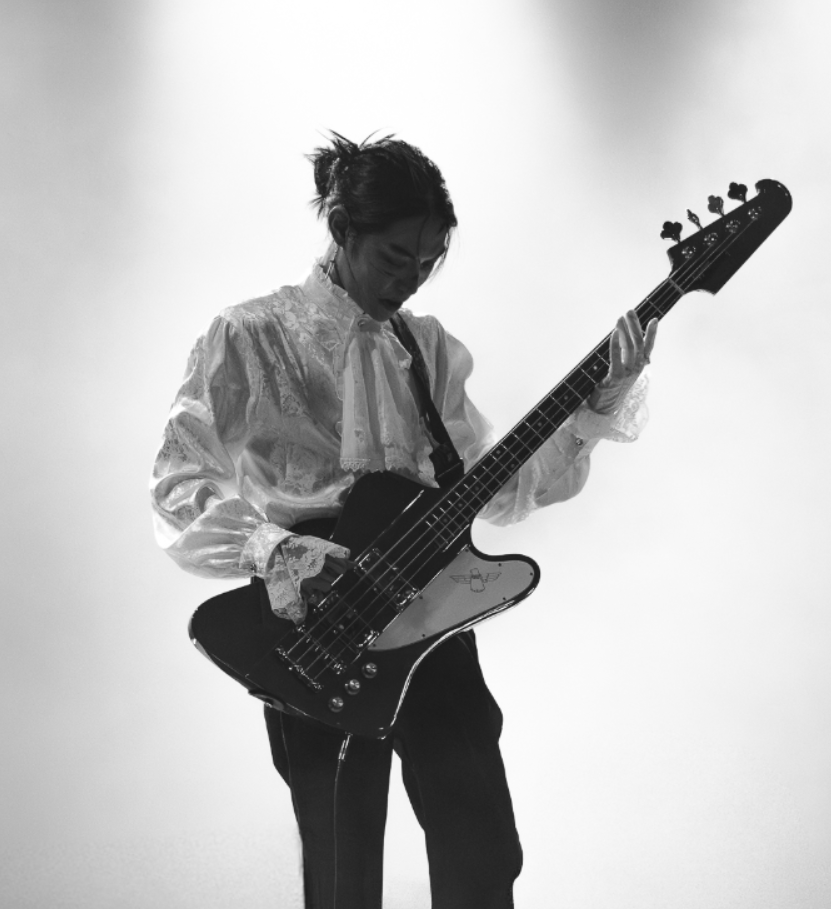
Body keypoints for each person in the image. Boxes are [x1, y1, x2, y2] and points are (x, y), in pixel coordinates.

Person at [150, 131, 657, 909]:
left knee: (484, 851)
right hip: (312, 632)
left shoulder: (427, 349)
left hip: (429, 624)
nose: (409, 281)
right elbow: (179, 481)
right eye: (394, 258)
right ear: (342, 230)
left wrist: (600, 402)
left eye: (425, 264)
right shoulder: (247, 333)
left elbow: (500, 488)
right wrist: (279, 548)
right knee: (343, 873)